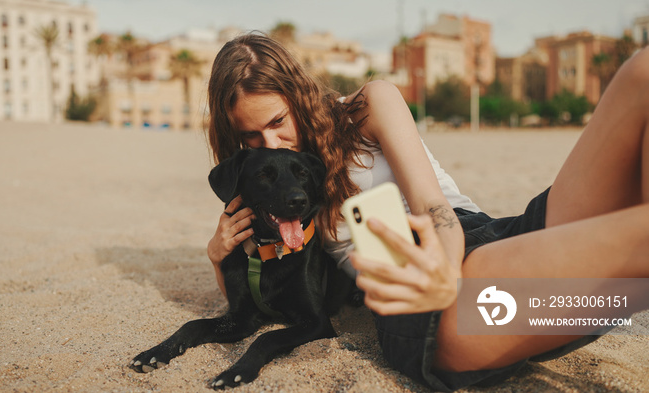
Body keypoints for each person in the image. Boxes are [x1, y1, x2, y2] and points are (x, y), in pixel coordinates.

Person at [204, 32, 649, 392]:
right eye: (252, 135)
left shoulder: (368, 106)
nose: (272, 144)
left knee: (641, 71)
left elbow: (432, 205)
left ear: (299, 95)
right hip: (423, 299)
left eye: (278, 122)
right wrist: (216, 253)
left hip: (481, 240)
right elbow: (259, 299)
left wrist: (447, 264)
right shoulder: (270, 192)